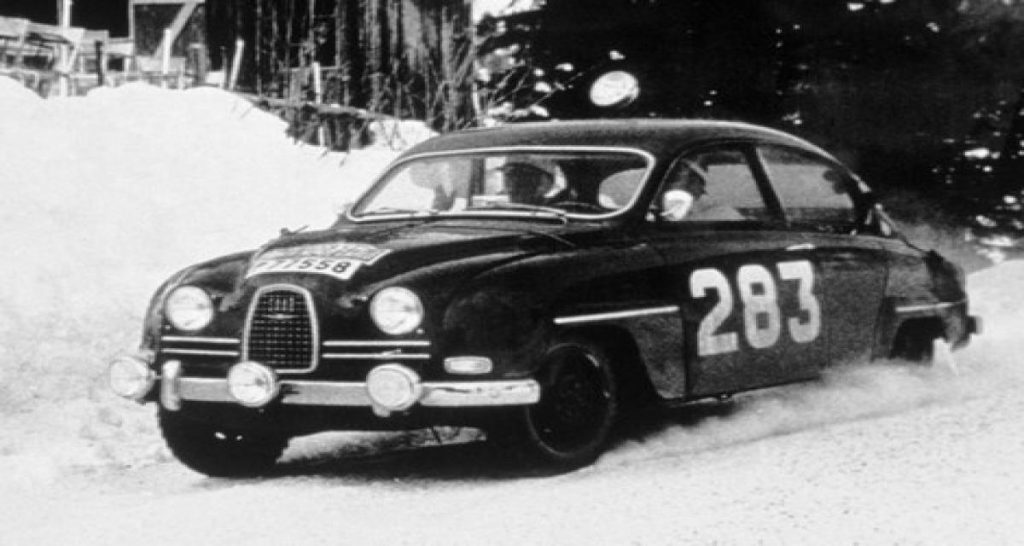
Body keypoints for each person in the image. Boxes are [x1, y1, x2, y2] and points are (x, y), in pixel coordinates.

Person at [659, 160, 744, 221]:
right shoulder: (669, 211)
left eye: (674, 179)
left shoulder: (722, 214)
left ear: (697, 184)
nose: (665, 187)